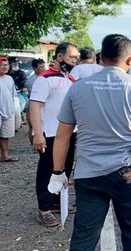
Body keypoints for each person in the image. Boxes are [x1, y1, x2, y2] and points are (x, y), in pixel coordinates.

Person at [49, 34, 131, 250]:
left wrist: (58, 172)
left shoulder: (77, 88)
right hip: (128, 174)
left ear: (101, 58)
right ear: (130, 60)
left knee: (84, 236)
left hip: (88, 174)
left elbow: (62, 136)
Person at [30, 42, 78, 227]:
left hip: (68, 134)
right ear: (59, 57)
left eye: (76, 58)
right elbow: (35, 106)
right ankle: (44, 209)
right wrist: (38, 134)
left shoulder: (70, 79)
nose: (74, 61)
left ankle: (56, 202)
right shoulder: (44, 79)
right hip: (49, 134)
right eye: (71, 57)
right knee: (46, 171)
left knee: (63, 169)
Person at [0, 57, 18, 162]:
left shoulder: (9, 78)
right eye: (2, 65)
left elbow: (12, 95)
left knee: (5, 135)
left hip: (8, 110)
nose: (5, 67)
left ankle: (5, 155)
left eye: (6, 65)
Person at [25, 58, 47, 145]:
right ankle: (33, 144)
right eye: (40, 67)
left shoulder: (46, 77)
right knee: (32, 125)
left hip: (44, 104)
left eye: (43, 67)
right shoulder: (31, 80)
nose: (43, 69)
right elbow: (32, 95)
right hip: (33, 104)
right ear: (34, 68)